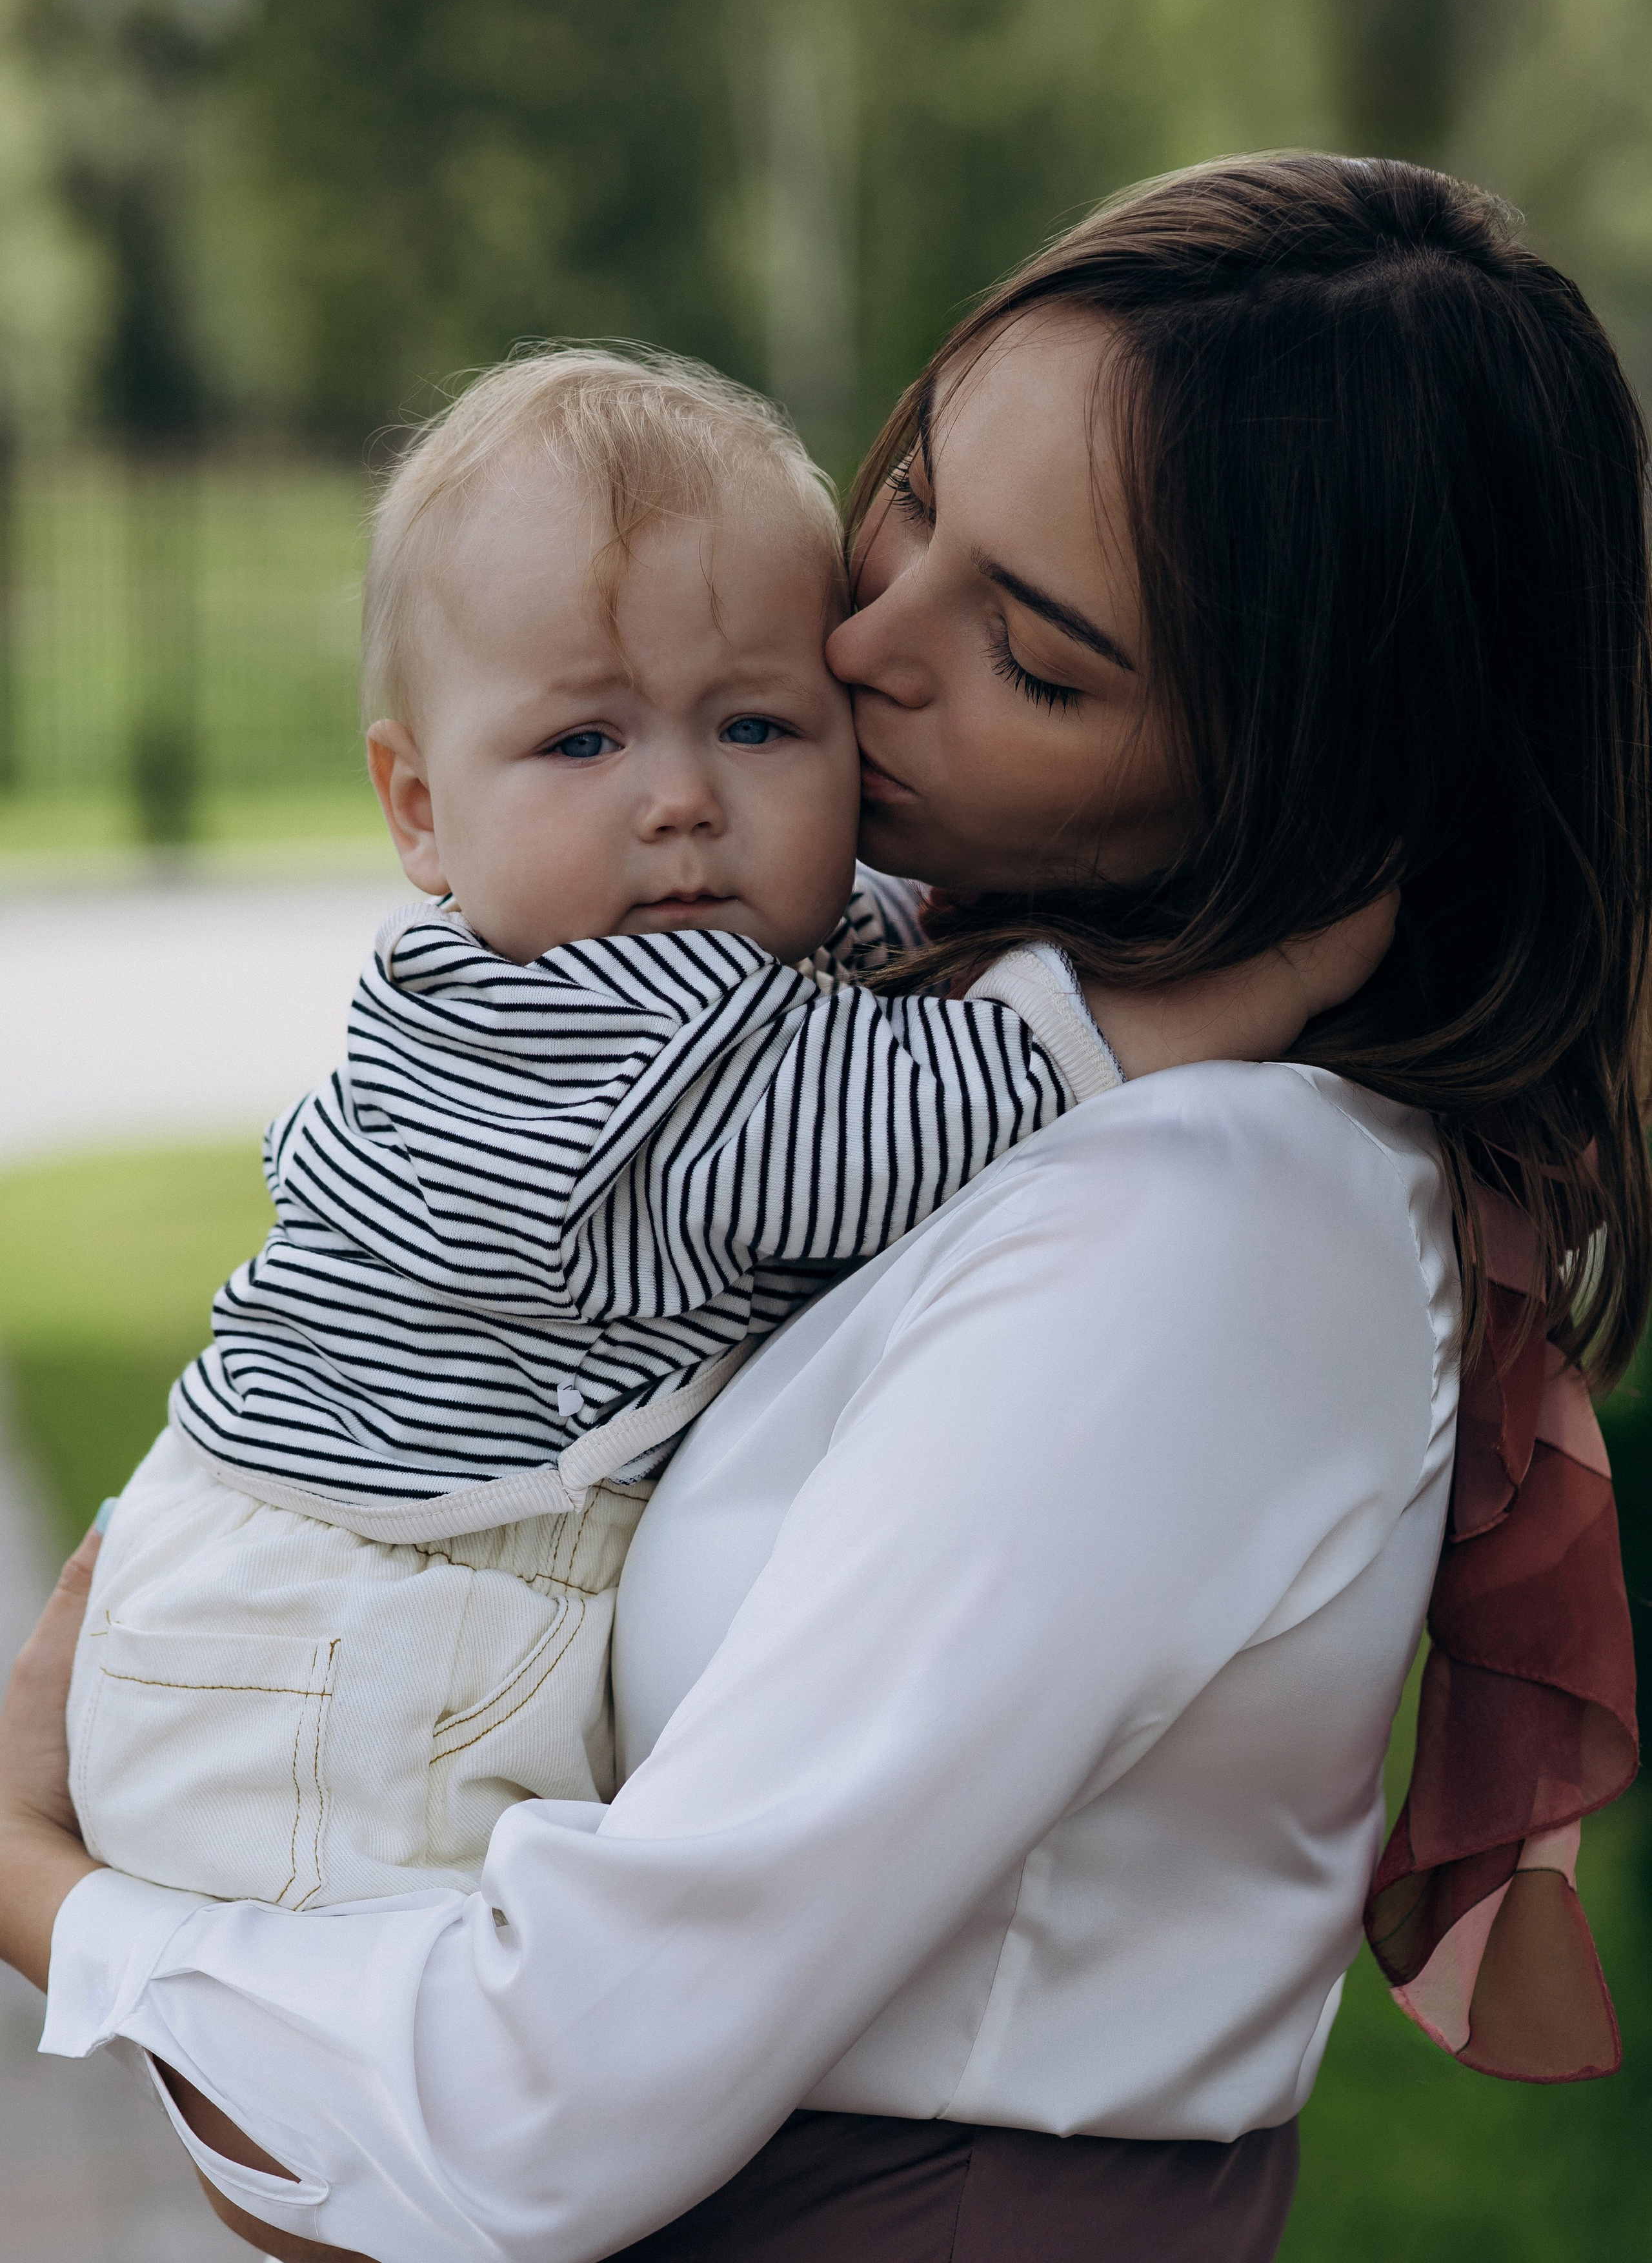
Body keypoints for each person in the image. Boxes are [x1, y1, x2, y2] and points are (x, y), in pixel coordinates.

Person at [2, 153, 1647, 2263]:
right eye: (918, 500)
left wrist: (54, 1893)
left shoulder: (1210, 1221)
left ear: (1304, 787)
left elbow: (533, 2113)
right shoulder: (912, 996)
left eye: (1033, 659)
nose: (859, 640)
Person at [66, 346, 1369, 1919]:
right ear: (417, 811)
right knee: (408, 2088)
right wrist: (1267, 981)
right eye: (582, 744)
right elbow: (940, 1103)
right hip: (351, 1638)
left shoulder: (668, 949)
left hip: (374, 1600)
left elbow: (872, 951)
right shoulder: (611, 1030)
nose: (679, 798)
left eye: (755, 727)